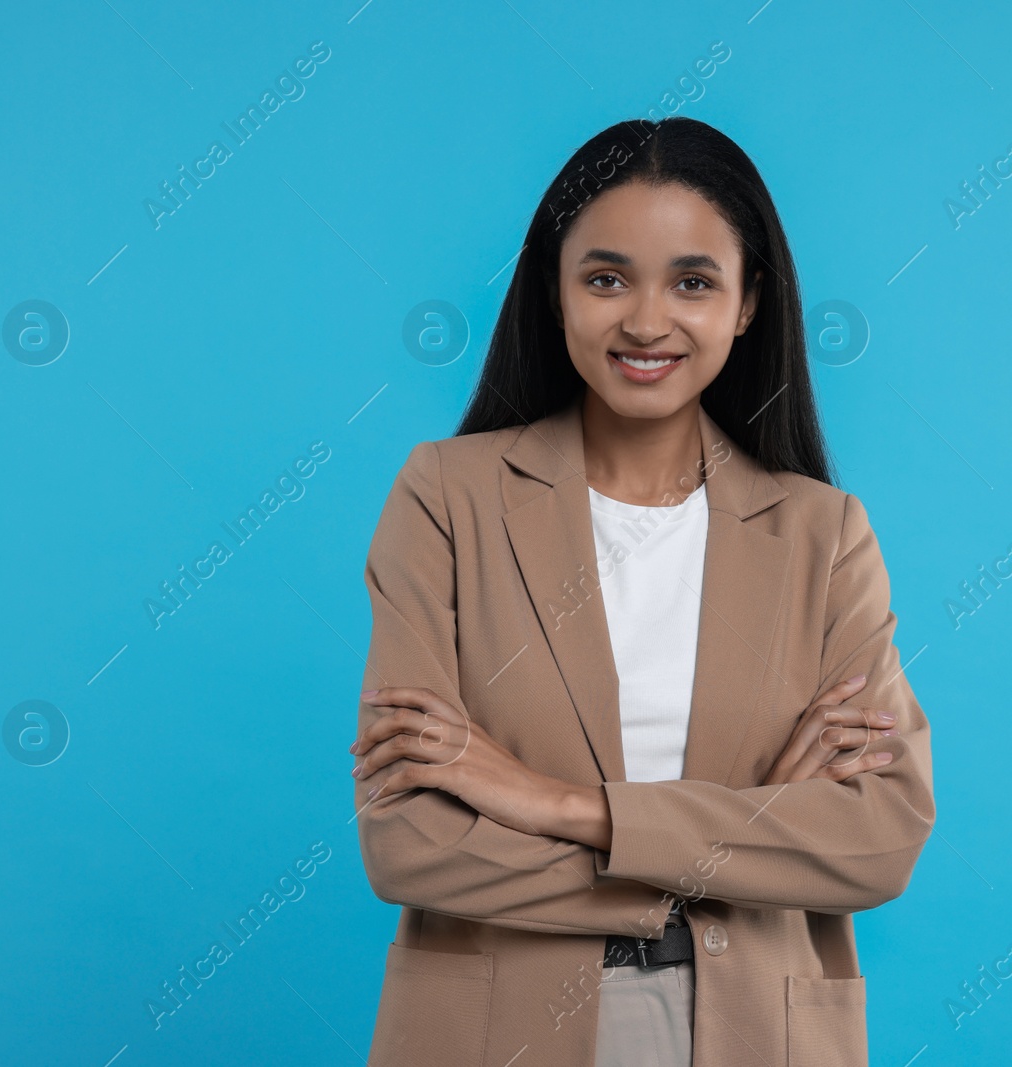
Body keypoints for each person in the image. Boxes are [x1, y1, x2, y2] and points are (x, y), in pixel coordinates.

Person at [349, 115, 935, 1067]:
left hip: (755, 1030)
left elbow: (878, 839)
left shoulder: (825, 534)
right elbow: (409, 839)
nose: (647, 321)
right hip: (503, 1031)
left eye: (694, 281)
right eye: (607, 277)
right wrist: (741, 838)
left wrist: (555, 803)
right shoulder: (447, 497)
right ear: (556, 291)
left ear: (748, 304)